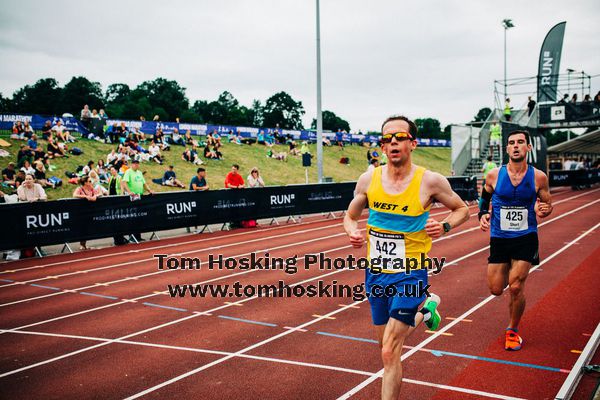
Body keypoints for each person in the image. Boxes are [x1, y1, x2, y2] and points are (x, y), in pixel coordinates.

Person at [343, 115, 469, 400]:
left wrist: (445, 225)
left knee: (389, 349)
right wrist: (352, 231)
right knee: (385, 350)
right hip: (376, 273)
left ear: (413, 143)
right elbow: (350, 216)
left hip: (411, 272)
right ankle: (426, 312)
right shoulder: (368, 179)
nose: (393, 143)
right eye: (387, 139)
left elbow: (462, 210)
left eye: (399, 137)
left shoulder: (431, 181)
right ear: (383, 146)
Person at [479, 130, 553, 351]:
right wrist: (483, 214)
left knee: (516, 287)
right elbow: (484, 200)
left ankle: (512, 330)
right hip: (499, 239)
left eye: (521, 142)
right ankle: (506, 275)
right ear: (507, 149)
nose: (516, 146)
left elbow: (548, 204)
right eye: (512, 143)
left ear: (528, 148)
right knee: (496, 289)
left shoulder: (539, 177)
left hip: (525, 237)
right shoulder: (493, 175)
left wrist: (545, 210)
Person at [121, 159, 154, 242]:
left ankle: (138, 236)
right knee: (133, 216)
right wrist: (129, 192)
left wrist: (150, 190)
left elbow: (144, 183)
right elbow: (124, 182)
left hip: (140, 196)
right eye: (134, 163)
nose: (136, 165)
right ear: (131, 164)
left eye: (137, 164)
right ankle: (132, 236)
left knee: (139, 216)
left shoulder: (139, 172)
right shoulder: (128, 171)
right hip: (132, 197)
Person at [73, 175, 103, 249]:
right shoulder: (80, 188)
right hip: (81, 211)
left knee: (88, 228)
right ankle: (82, 245)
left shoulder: (91, 188)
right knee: (83, 228)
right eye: (89, 181)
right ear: (85, 182)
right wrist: (85, 196)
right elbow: (74, 195)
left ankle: (84, 245)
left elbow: (100, 193)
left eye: (91, 181)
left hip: (91, 211)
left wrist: (96, 196)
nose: (91, 182)